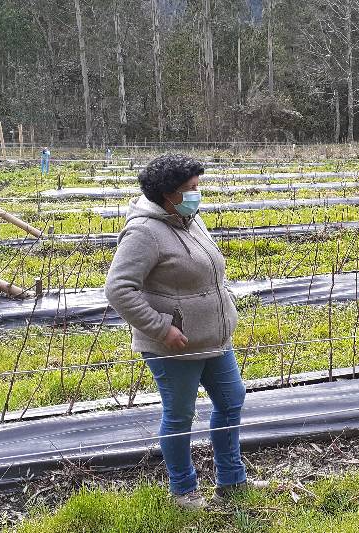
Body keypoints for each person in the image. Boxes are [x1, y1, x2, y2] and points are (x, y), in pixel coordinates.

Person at [105, 153, 264, 509]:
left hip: (214, 338)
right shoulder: (144, 232)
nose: (198, 194)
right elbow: (118, 288)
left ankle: (232, 479)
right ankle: (183, 490)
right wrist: (162, 329)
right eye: (191, 189)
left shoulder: (190, 219)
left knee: (231, 400)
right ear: (168, 194)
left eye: (198, 187)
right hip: (173, 344)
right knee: (180, 416)